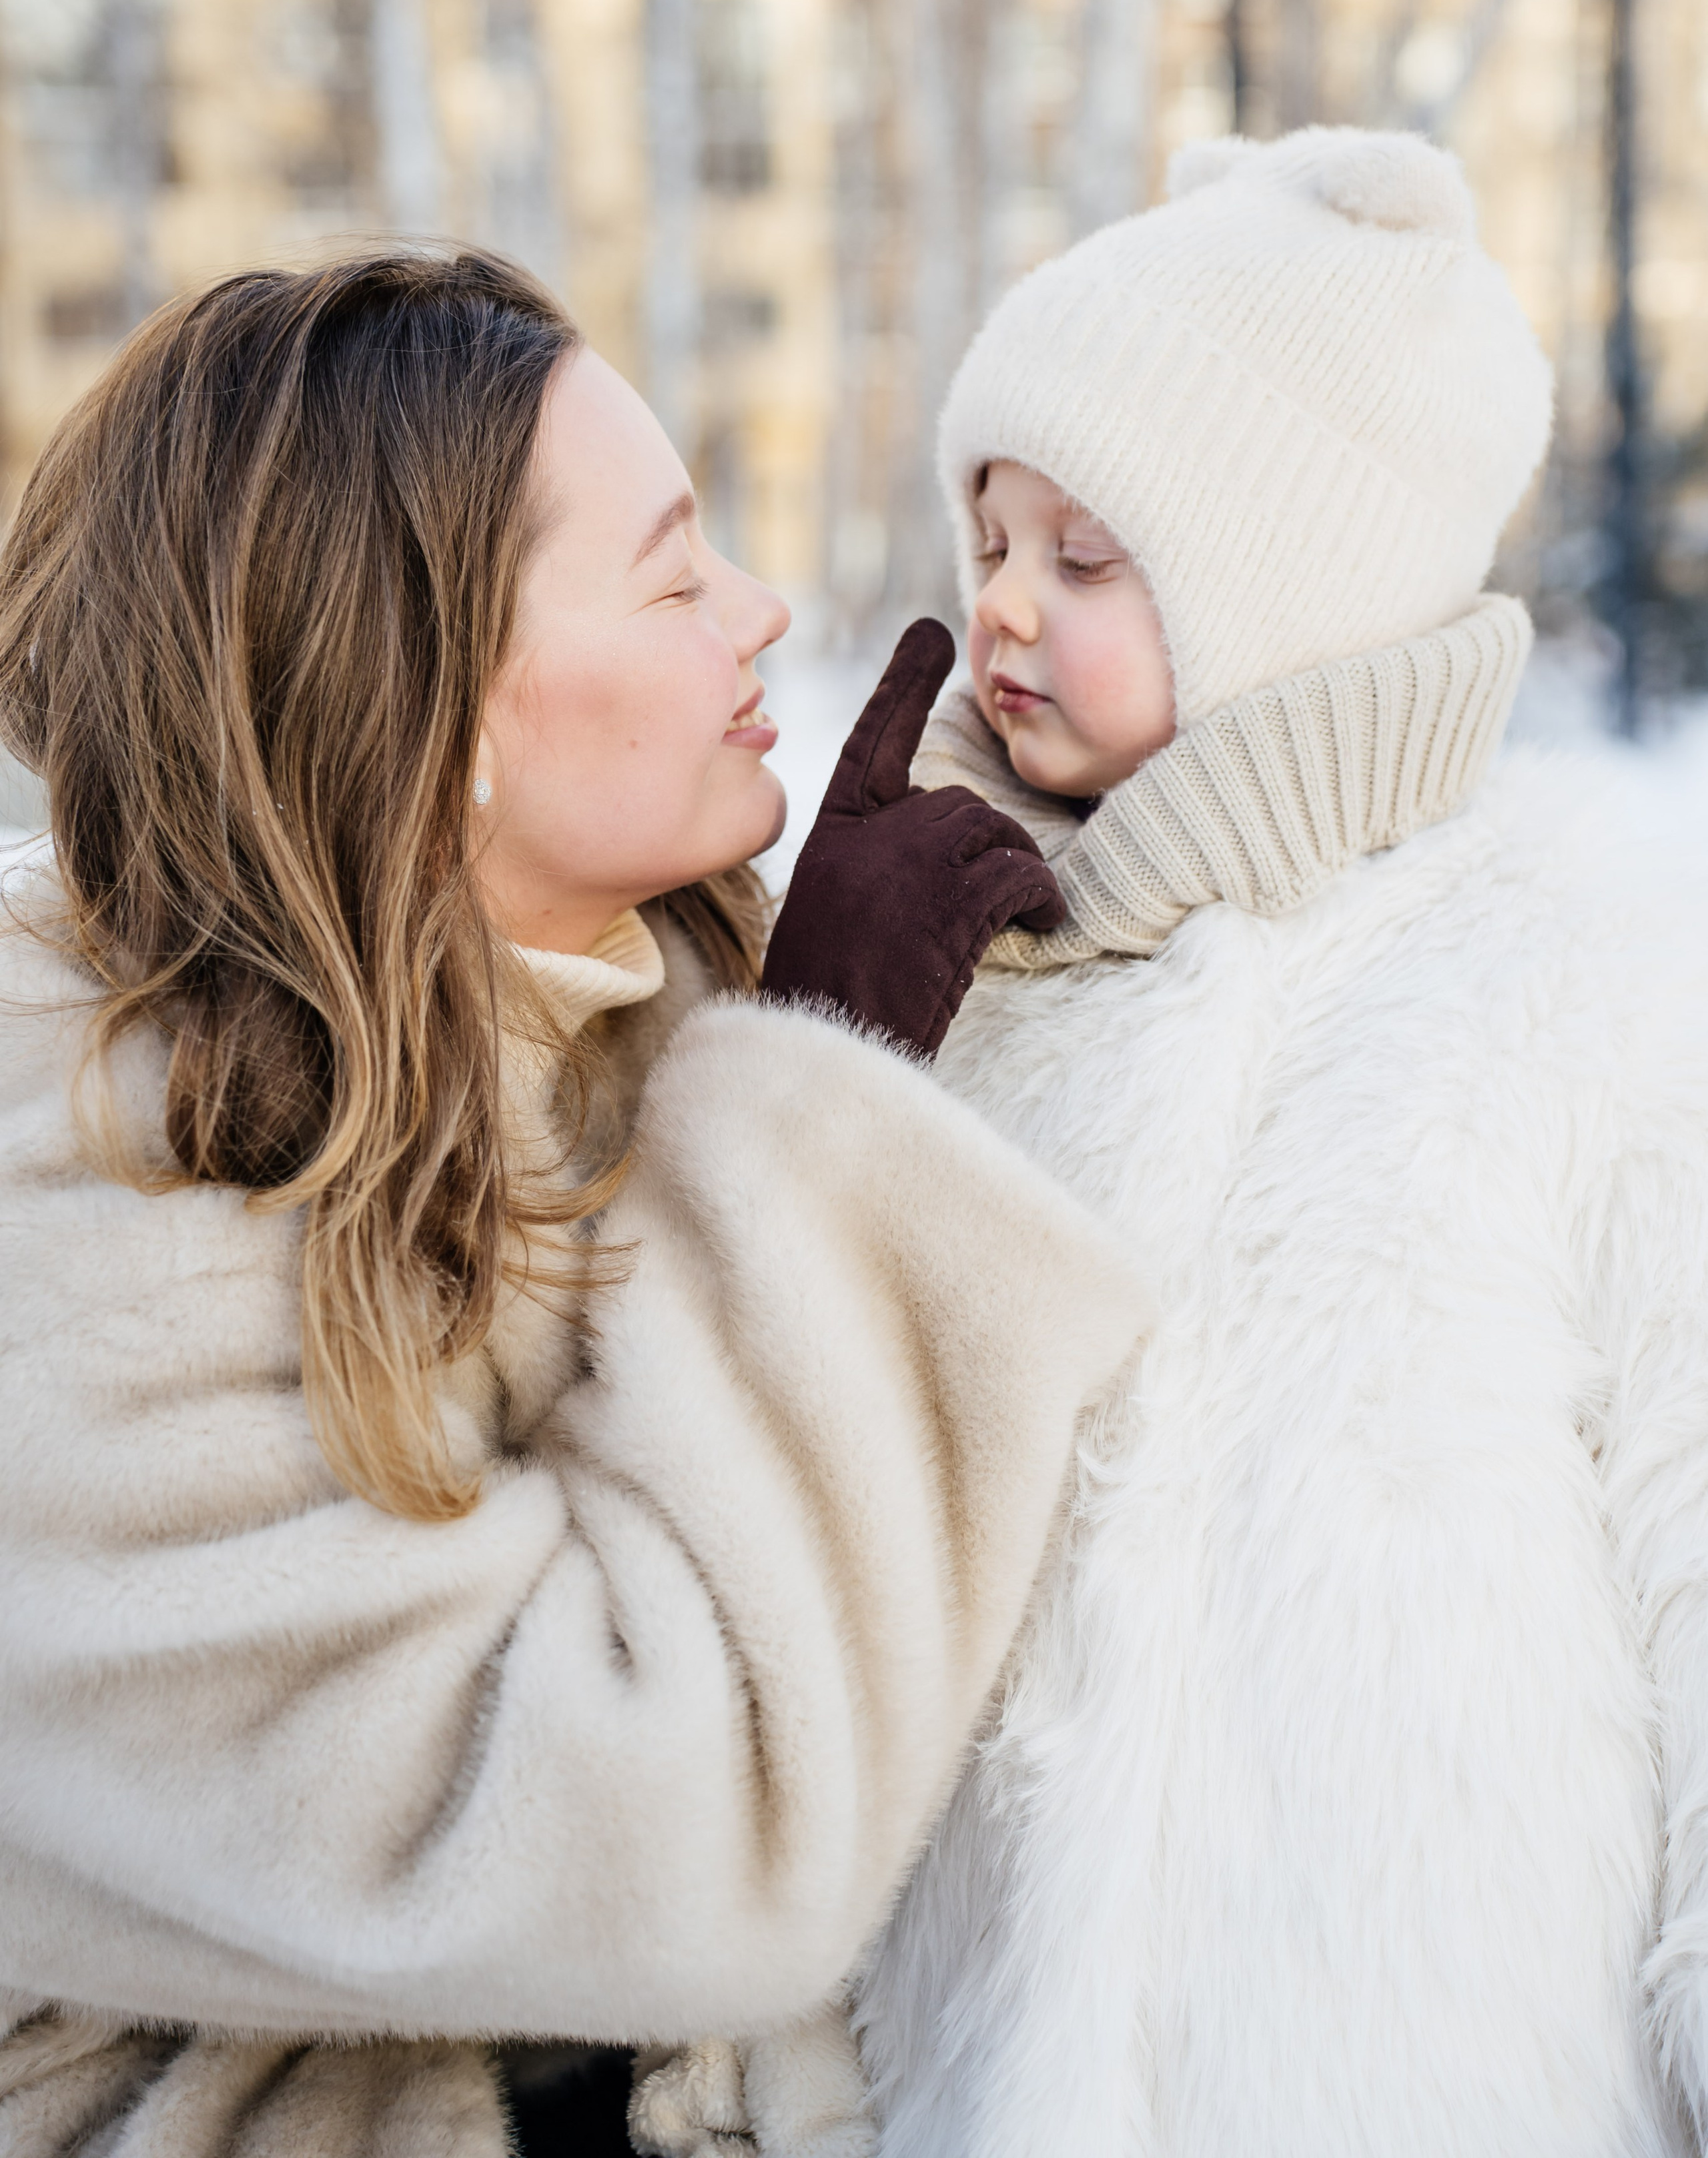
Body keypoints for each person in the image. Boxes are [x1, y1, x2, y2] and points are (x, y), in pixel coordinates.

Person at [0, 248, 1152, 2158]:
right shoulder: (73, 1203)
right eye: (677, 578)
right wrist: (828, 1093)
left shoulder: (616, 1022)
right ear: (441, 702)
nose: (764, 614)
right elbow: (672, 1837)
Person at [839, 129, 1708, 2155]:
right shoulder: (965, 972)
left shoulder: (1581, 978)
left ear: (1293, 583)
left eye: (1085, 557)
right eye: (988, 536)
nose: (1001, 607)